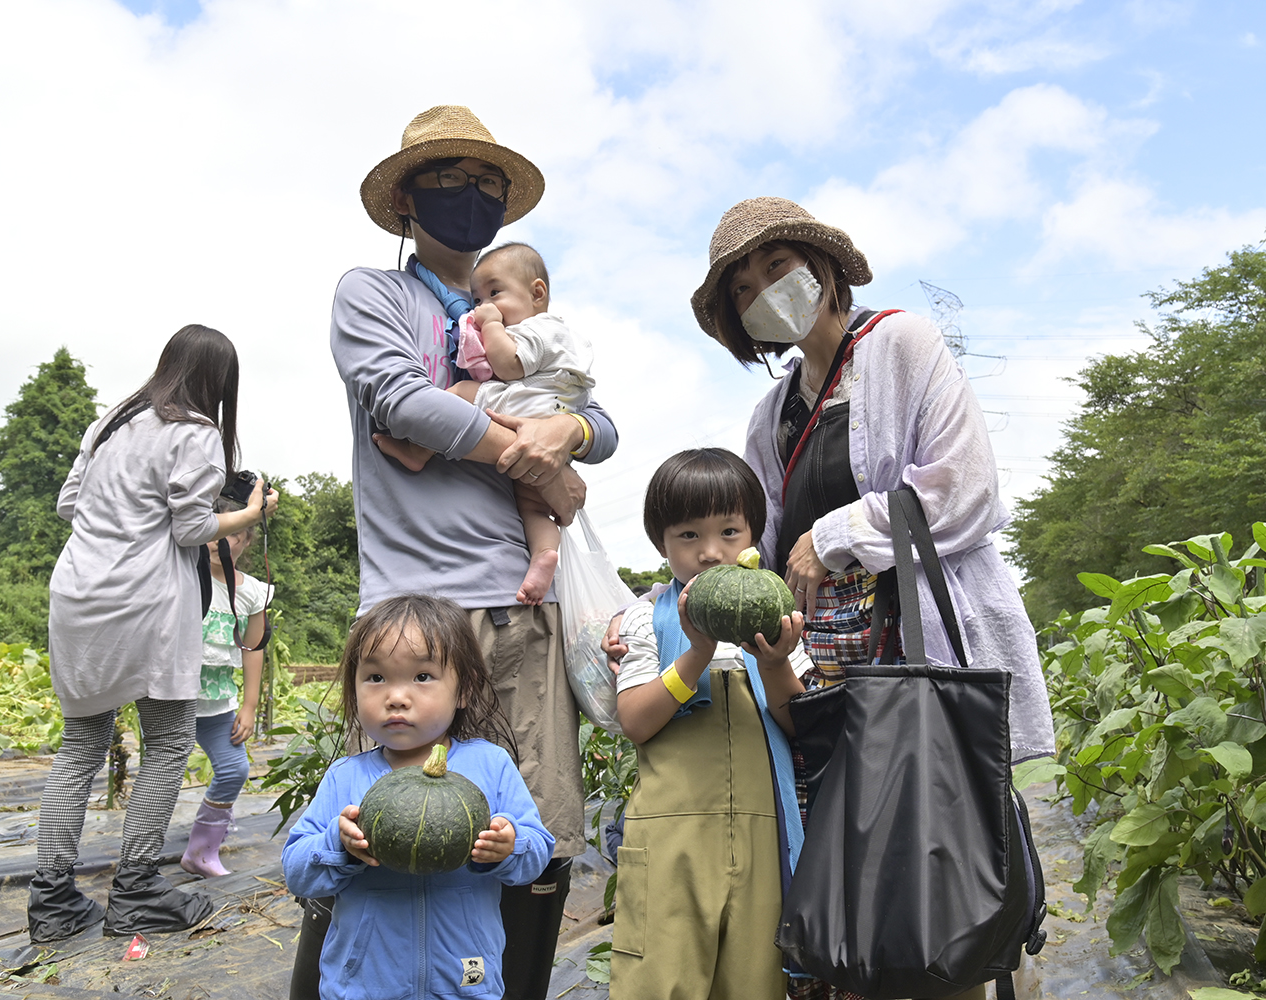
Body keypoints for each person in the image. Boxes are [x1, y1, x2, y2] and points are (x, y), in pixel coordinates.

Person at [689, 197, 1057, 1000]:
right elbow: (759, 544)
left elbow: (966, 489)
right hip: (828, 676)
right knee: (858, 885)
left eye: (777, 267)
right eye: (744, 288)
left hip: (915, 654)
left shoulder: (900, 345)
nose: (764, 291)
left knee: (940, 871)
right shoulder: (772, 412)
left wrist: (838, 532)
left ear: (822, 268)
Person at [305, 105, 619, 1000]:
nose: (470, 197)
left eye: (487, 183)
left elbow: (599, 417)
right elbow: (402, 402)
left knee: (533, 829)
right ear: (406, 199)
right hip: (415, 614)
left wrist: (572, 428)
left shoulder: (520, 319)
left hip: (525, 611)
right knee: (383, 826)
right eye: (448, 180)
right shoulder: (375, 294)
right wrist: (527, 450)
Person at [30, 324, 280, 943]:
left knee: (81, 742)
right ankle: (137, 892)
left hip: (78, 592)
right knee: (168, 740)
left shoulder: (111, 422)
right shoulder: (197, 432)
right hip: (145, 599)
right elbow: (193, 526)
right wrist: (251, 512)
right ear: (219, 381)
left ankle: (52, 901)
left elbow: (70, 505)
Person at [610, 448, 810, 1000]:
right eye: (688, 536)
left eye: (729, 532)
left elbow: (801, 727)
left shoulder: (776, 617)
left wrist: (773, 665)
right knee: (657, 979)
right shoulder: (643, 619)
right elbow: (636, 722)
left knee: (753, 983)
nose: (711, 552)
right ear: (662, 544)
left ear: (754, 537)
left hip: (761, 832)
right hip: (667, 835)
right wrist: (695, 653)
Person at [282, 594, 554, 1000]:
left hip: (465, 982)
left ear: (464, 689)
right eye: (375, 678)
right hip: (364, 986)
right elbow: (297, 871)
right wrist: (337, 847)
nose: (396, 696)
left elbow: (537, 854)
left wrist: (510, 846)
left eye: (422, 676)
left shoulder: (490, 765)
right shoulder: (346, 777)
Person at [374, 241, 594, 605]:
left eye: (494, 293)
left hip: (525, 408)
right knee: (534, 506)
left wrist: (491, 326)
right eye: (477, 300)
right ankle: (544, 554)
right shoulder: (569, 336)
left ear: (537, 293)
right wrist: (564, 450)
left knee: (460, 390)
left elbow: (508, 366)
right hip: (551, 418)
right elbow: (591, 412)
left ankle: (419, 451)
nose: (484, 306)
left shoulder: (534, 330)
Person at [180, 498, 272, 878]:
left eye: (235, 534)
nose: (223, 541)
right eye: (217, 529)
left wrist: (249, 706)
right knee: (163, 773)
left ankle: (202, 852)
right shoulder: (183, 574)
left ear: (246, 542)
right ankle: (142, 853)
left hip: (218, 703)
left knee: (234, 770)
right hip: (173, 699)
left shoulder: (252, 591)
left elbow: (254, 650)